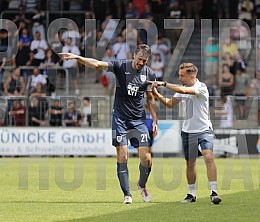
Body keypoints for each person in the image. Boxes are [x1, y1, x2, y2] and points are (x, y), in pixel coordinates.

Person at [59, 44, 158, 204]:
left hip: (138, 120)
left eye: (144, 61)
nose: (141, 63)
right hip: (120, 118)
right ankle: (127, 194)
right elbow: (97, 64)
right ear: (134, 55)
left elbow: (151, 98)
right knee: (123, 155)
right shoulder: (120, 66)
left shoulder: (149, 73)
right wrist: (78, 58)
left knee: (147, 158)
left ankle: (142, 185)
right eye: (140, 59)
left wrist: (155, 120)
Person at [150, 62, 221, 205]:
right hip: (188, 131)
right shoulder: (182, 88)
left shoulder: (201, 87)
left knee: (208, 156)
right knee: (190, 163)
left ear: (192, 76)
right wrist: (156, 94)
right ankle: (191, 194)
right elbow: (170, 103)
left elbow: (185, 92)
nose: (180, 78)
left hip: (204, 129)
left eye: (182, 76)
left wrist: (163, 84)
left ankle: (214, 192)